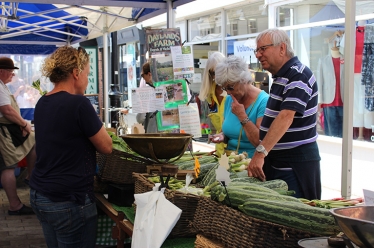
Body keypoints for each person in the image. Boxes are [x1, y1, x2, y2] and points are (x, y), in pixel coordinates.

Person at [29, 46, 112, 247]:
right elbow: (106, 146)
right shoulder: (79, 104)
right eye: (87, 73)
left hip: (41, 194)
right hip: (69, 200)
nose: (87, 78)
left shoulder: (43, 102)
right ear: (76, 73)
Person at [248, 28, 321, 200]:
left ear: (282, 48)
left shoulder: (298, 74)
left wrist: (260, 153)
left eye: (262, 49)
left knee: (297, 217)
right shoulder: (281, 77)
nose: (258, 55)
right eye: (256, 50)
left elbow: (286, 116)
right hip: (280, 162)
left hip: (295, 164)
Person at [209, 55, 269, 158]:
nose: (228, 92)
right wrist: (221, 136)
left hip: (252, 163)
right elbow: (227, 132)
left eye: (230, 87)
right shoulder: (229, 99)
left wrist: (242, 116)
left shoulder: (264, 101)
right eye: (225, 88)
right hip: (230, 161)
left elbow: (260, 143)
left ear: (244, 80)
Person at [0, 57, 36, 215]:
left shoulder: (3, 86)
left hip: (9, 129)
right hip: (3, 132)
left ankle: (31, 176)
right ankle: (14, 205)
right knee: (8, 167)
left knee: (33, 140)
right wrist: (23, 124)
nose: (13, 75)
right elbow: (7, 110)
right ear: (2, 71)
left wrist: (23, 125)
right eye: (11, 72)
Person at [198, 52, 226, 156]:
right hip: (219, 149)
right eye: (213, 73)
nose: (216, 76)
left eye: (219, 71)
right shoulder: (209, 95)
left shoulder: (234, 92)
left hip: (236, 149)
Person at [136, 62, 158, 133]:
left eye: (143, 75)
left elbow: (140, 118)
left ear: (149, 74)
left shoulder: (146, 91)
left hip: (153, 135)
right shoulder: (166, 87)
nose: (143, 79)